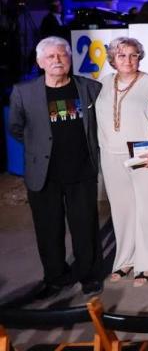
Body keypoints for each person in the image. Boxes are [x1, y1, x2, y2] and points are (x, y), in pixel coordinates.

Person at [10, 37, 104, 297]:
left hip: (81, 171)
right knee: (48, 229)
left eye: (62, 55)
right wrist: (38, 147)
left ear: (70, 59)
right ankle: (55, 277)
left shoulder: (90, 88)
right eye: (50, 56)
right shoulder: (23, 92)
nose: (57, 60)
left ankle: (89, 275)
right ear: (40, 62)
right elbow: (16, 128)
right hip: (44, 174)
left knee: (85, 227)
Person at [97, 38, 148, 288]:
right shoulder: (103, 84)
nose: (128, 60)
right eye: (121, 55)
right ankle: (125, 260)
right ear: (112, 59)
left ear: (140, 57)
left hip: (145, 154)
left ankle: (147, 264)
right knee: (122, 210)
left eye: (133, 55)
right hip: (111, 154)